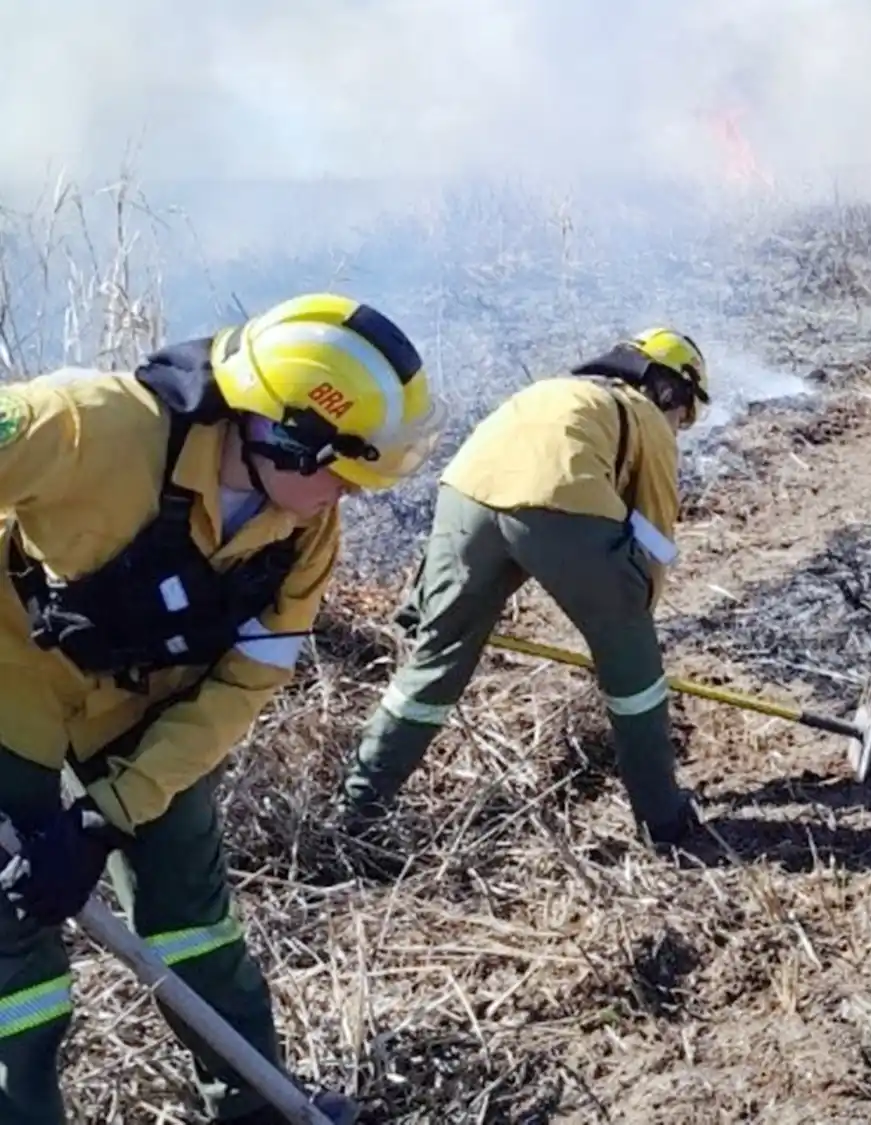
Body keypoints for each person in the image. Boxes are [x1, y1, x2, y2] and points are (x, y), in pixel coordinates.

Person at [0, 292, 444, 1125]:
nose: (350, 497)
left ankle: (255, 1105)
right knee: (11, 935)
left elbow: (245, 684)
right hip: (11, 679)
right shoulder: (90, 425)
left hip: (147, 707)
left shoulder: (306, 530)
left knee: (192, 914)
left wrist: (105, 815)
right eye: (344, 473)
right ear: (283, 432)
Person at [336, 326, 710, 849]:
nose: (678, 429)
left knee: (432, 664)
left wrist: (427, 606)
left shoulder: (549, 391)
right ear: (670, 388)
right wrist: (630, 625)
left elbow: (494, 480)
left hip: (463, 494)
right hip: (557, 502)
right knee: (636, 680)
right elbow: (654, 536)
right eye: (683, 416)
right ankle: (663, 820)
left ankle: (355, 811)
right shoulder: (644, 414)